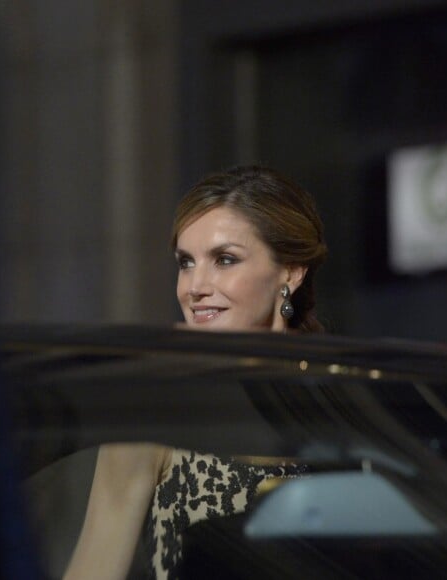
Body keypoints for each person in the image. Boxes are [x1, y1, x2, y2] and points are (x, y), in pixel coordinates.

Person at [63, 165, 328, 580]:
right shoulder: (154, 411)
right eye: (186, 263)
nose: (195, 286)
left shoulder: (341, 401)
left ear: (290, 271)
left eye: (224, 260)